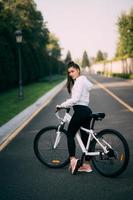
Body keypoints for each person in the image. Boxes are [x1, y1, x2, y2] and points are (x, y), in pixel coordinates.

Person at [56, 61, 93, 174]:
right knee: (85, 138)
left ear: (78, 70)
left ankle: (73, 160)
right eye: (69, 72)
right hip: (87, 111)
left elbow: (75, 99)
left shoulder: (79, 81)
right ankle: (87, 166)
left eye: (72, 71)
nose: (71, 74)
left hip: (80, 111)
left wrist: (61, 105)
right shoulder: (84, 81)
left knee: (70, 134)